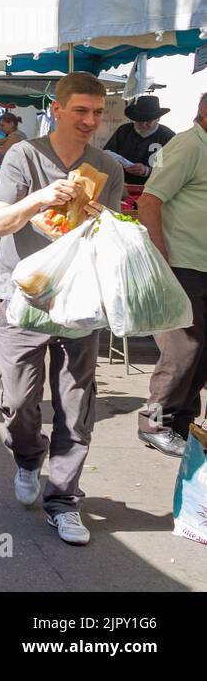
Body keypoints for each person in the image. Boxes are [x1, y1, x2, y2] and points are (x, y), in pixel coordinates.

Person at [0, 72, 125, 546]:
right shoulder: (24, 156)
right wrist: (43, 197)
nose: (90, 121)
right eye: (81, 111)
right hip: (23, 294)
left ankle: (64, 500)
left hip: (79, 299)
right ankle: (28, 455)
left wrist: (103, 221)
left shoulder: (107, 166)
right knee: (21, 400)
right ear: (59, 110)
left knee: (74, 401)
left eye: (97, 112)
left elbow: (107, 233)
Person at [136, 91, 207, 457]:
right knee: (184, 347)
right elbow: (148, 201)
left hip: (201, 264)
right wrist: (161, 256)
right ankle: (155, 421)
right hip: (183, 264)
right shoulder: (188, 146)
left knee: (200, 352)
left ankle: (181, 423)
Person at [104, 95, 175, 185]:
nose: (144, 124)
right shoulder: (124, 131)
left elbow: (173, 168)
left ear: (158, 119)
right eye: (140, 121)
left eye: (149, 121)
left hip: (153, 187)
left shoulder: (168, 136)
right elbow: (107, 154)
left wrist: (147, 171)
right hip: (122, 184)